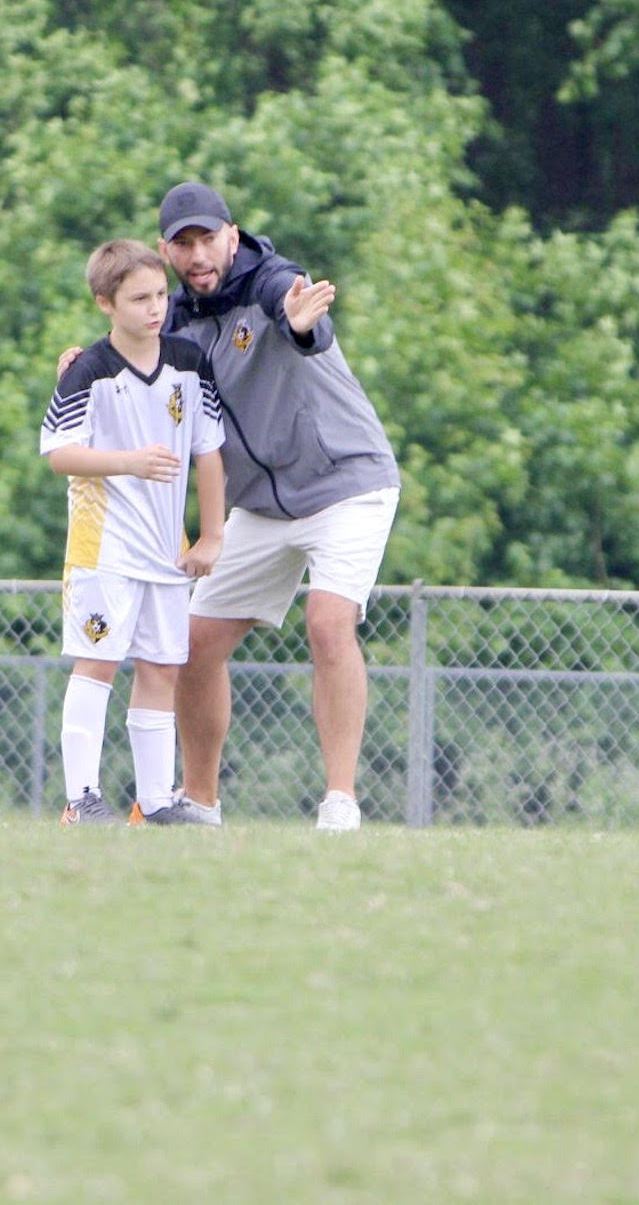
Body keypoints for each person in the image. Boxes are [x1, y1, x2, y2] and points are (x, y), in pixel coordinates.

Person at [59, 183, 399, 830]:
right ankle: (200, 804)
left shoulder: (271, 280)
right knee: (191, 645)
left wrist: (301, 323)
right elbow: (129, 369)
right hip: (261, 507)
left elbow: (299, 317)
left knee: (328, 623)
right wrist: (82, 373)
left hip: (346, 483)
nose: (198, 254)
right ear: (165, 251)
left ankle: (340, 801)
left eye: (208, 238)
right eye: (182, 243)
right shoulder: (173, 321)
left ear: (232, 237)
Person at [40, 238, 226, 826]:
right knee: (97, 662)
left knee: (161, 668)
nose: (155, 308)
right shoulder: (87, 369)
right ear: (105, 303)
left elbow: (209, 450)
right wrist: (130, 462)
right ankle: (81, 799)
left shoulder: (190, 361)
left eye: (160, 295)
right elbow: (59, 454)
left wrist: (212, 536)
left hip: (166, 551)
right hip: (105, 547)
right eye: (139, 298)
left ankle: (155, 802)